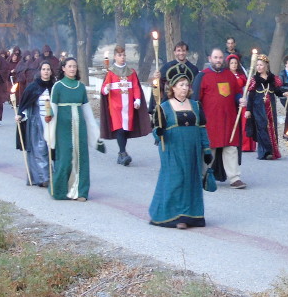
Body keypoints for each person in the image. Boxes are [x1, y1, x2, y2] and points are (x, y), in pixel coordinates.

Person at [149, 71, 212, 229]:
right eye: (181, 85)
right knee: (176, 180)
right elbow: (156, 132)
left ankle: (191, 215)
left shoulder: (196, 105)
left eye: (186, 85)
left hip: (192, 150)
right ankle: (173, 216)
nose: (184, 88)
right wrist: (159, 132)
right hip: (172, 150)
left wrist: (206, 148)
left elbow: (202, 128)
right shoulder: (164, 107)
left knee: (191, 180)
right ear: (173, 88)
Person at [193, 48, 247, 188]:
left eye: (220, 57)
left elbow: (236, 93)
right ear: (210, 58)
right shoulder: (203, 76)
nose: (218, 60)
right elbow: (195, 100)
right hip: (210, 120)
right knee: (209, 148)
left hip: (229, 118)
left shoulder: (229, 75)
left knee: (230, 147)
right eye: (215, 57)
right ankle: (203, 176)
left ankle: (234, 178)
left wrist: (240, 99)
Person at [50, 57, 101, 201]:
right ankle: (60, 190)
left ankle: (81, 192)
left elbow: (88, 112)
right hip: (63, 129)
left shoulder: (80, 87)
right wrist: (49, 121)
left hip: (80, 128)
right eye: (70, 66)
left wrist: (94, 132)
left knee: (81, 158)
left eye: (74, 66)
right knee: (65, 158)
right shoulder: (58, 86)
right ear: (63, 68)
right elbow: (52, 109)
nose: (73, 69)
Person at [99, 45, 151, 166]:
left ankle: (121, 154)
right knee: (120, 129)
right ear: (115, 57)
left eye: (123, 55)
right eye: (119, 55)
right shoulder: (110, 73)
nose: (122, 58)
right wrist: (107, 88)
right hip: (116, 107)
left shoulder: (131, 72)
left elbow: (136, 87)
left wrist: (137, 100)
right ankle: (123, 153)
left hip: (128, 108)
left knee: (126, 130)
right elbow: (103, 91)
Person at [15, 62, 55, 188]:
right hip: (38, 122)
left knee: (52, 150)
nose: (46, 71)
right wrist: (21, 115)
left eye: (48, 69)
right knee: (40, 149)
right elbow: (26, 105)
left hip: (53, 122)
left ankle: (52, 175)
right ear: (40, 71)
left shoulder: (55, 86)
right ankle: (43, 177)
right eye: (44, 69)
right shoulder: (33, 87)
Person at [245, 54, 283, 160]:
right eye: (257, 65)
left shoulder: (272, 79)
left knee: (271, 127)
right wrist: (248, 110)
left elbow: (277, 91)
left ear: (266, 66)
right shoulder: (254, 80)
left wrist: (284, 94)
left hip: (270, 107)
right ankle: (265, 152)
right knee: (261, 128)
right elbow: (251, 96)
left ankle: (272, 150)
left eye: (261, 65)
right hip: (258, 107)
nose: (259, 67)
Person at [149, 41, 199, 116]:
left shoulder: (193, 69)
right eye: (178, 50)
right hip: (169, 101)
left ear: (187, 52)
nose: (181, 53)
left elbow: (196, 88)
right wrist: (157, 79)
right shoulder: (167, 67)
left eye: (183, 50)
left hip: (188, 101)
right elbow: (159, 85)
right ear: (174, 52)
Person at [226, 54, 256, 152]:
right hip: (229, 101)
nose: (234, 65)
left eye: (235, 63)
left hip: (241, 101)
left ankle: (245, 145)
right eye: (232, 63)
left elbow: (247, 88)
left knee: (244, 121)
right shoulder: (225, 75)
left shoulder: (242, 76)